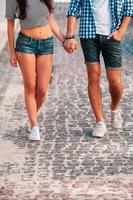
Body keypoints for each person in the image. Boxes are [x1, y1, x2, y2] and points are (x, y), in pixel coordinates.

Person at [64, 0, 133, 137]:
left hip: (112, 36)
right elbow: (74, 7)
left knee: (115, 81)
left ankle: (114, 108)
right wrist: (69, 36)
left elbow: (128, 7)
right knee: (93, 77)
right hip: (89, 35)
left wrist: (120, 32)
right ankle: (100, 122)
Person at [6, 0, 64, 141]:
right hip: (26, 44)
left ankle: (32, 116)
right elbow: (10, 23)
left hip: (47, 43)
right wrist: (12, 52)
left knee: (43, 89)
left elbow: (51, 20)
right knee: (30, 86)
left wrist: (64, 40)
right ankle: (34, 126)